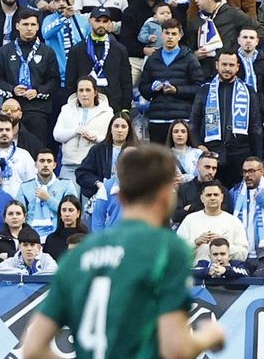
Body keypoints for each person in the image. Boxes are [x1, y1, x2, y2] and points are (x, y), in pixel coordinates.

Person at [18, 144, 226, 359]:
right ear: (167, 196)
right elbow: (175, 350)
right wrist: (209, 337)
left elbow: (32, 349)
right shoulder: (167, 249)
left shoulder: (79, 253)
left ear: (121, 196)